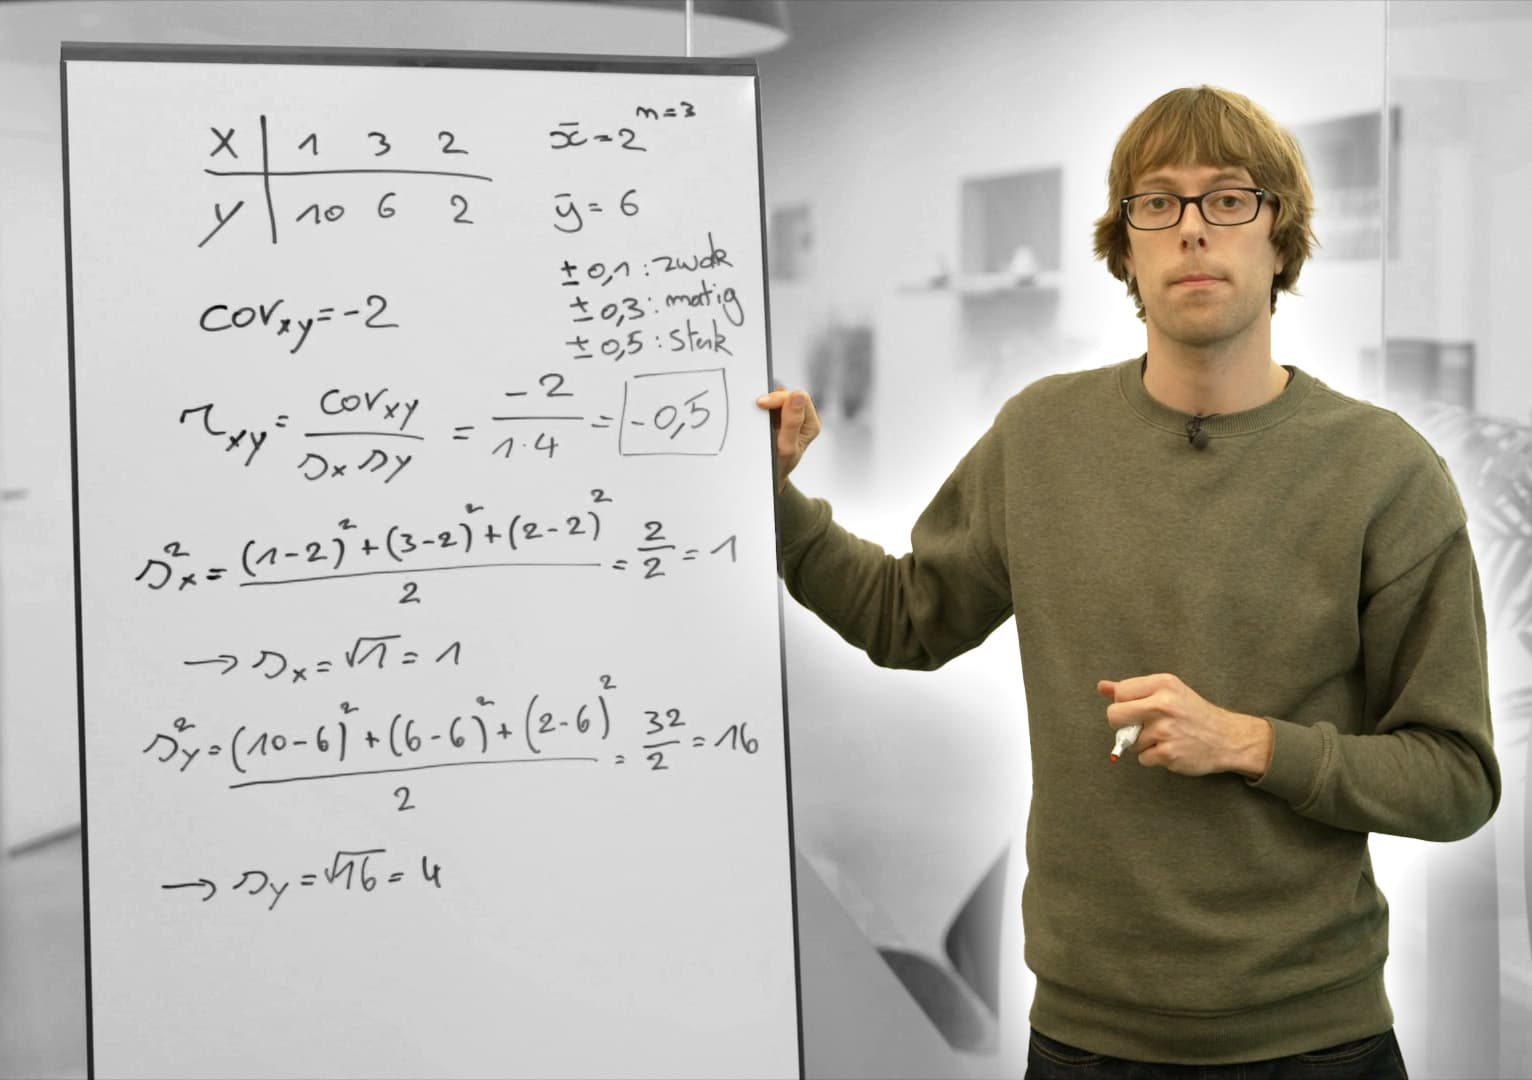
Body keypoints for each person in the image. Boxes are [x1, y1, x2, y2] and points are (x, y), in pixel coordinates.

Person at [756, 85, 1499, 1077]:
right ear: (1125, 249)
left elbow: (1454, 777)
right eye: (1157, 202)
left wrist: (1247, 743)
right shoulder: (1041, 435)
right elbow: (906, 618)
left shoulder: (1382, 470)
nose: (1191, 228)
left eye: (1227, 198)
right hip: (1086, 1040)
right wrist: (768, 497)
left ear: (1279, 239)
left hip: (1314, 1040)